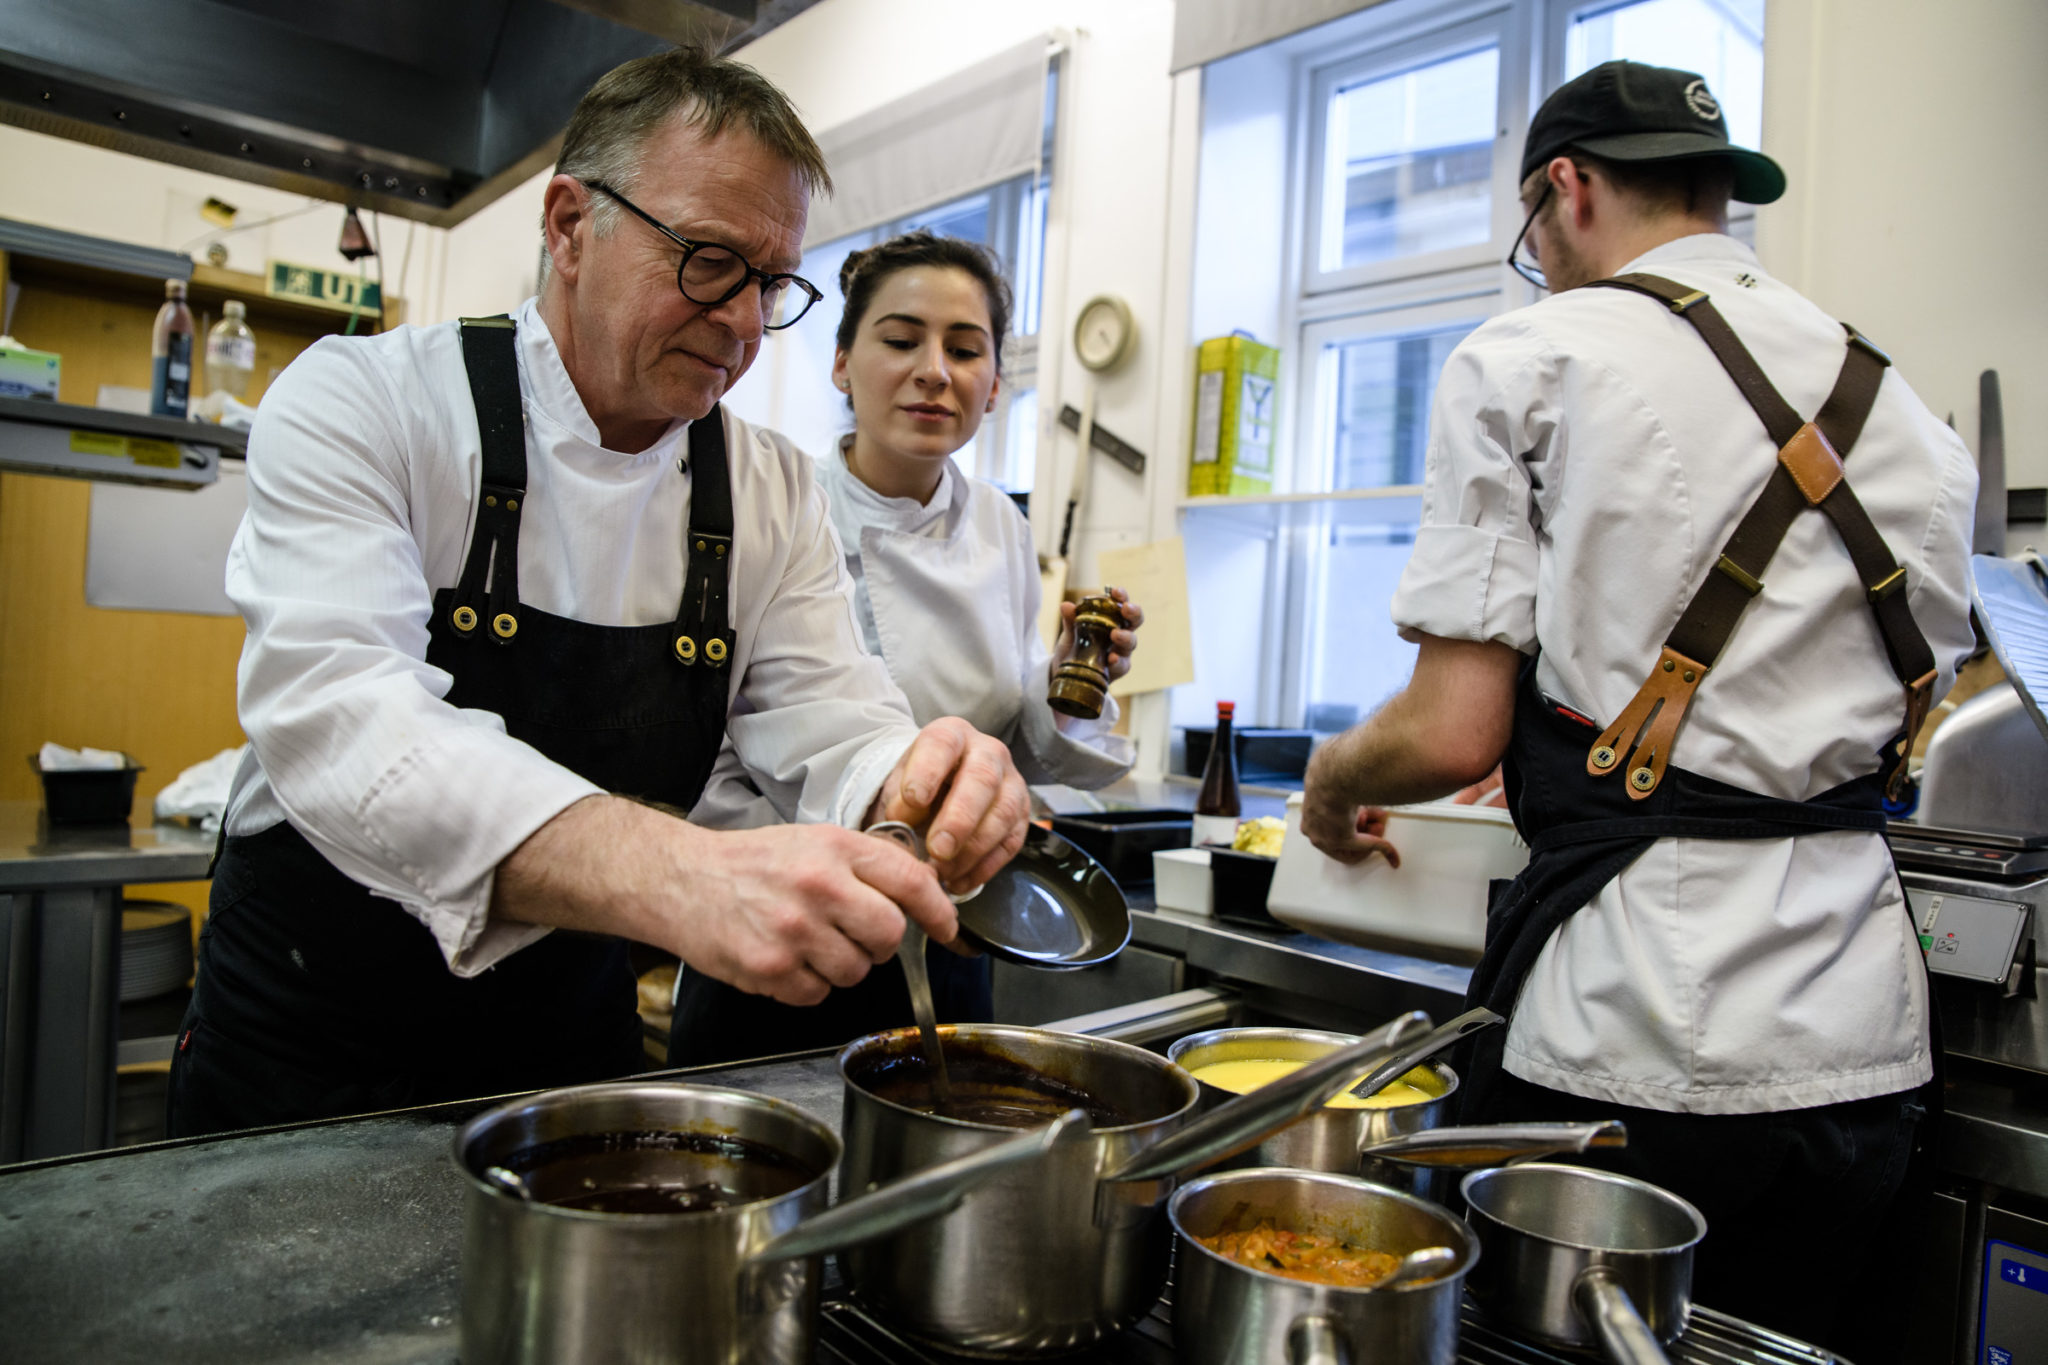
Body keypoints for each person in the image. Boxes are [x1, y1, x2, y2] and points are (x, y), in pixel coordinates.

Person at [166, 48, 1031, 1138]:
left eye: (772, 284)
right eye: (709, 261)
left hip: (567, 1054)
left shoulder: (765, 489)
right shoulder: (367, 402)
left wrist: (913, 780)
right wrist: (683, 875)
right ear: (570, 225)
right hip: (304, 1050)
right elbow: (347, 725)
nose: (744, 323)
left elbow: (831, 718)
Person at [1299, 61, 1975, 1351]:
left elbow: (1446, 733)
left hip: (1630, 1037)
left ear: (1565, 186)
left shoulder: (1532, 353)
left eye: (1531, 232)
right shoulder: (1904, 412)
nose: (1541, 263)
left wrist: (1332, 784)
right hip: (1862, 1049)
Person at [675, 231, 1143, 1064]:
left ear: (993, 387)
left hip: (960, 927)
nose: (934, 371)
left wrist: (1071, 680)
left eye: (964, 349)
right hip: (785, 928)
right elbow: (702, 759)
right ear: (842, 364)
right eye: (900, 340)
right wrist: (835, 870)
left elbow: (1015, 746)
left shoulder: (1001, 526)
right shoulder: (771, 507)